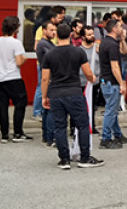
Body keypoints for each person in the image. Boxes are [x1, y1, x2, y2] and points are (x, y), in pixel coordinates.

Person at [41, 22, 104, 169]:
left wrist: (45, 97)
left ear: (56, 35)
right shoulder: (78, 52)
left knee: (60, 127)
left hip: (56, 93)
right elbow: (88, 73)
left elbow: (45, 78)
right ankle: (85, 157)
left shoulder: (49, 54)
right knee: (82, 125)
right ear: (70, 34)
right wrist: (93, 79)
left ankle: (64, 160)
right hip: (74, 93)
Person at [0, 15, 31, 143]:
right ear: (15, 28)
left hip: (0, 77)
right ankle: (17, 133)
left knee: (3, 106)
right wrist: (25, 58)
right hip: (13, 77)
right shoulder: (16, 43)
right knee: (20, 103)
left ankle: (4, 134)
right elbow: (19, 62)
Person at [98, 18, 127, 149]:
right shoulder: (111, 45)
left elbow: (125, 51)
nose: (122, 29)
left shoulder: (108, 42)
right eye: (119, 27)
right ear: (113, 29)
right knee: (111, 111)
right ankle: (105, 138)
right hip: (111, 82)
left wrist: (122, 39)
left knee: (113, 109)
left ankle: (117, 134)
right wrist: (121, 82)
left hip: (107, 81)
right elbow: (115, 67)